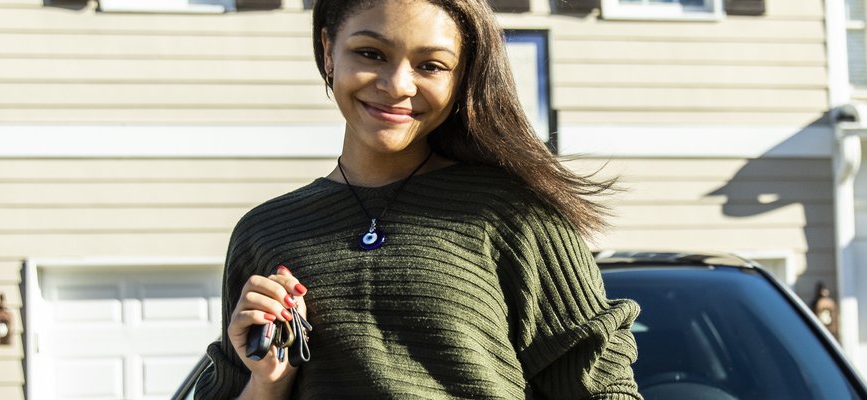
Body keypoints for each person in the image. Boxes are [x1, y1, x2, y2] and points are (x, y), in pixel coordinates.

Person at [194, 0, 642, 398]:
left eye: (430, 66)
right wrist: (267, 382)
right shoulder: (266, 231)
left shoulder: (515, 216)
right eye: (370, 54)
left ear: (461, 76)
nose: (397, 85)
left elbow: (602, 389)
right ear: (329, 50)